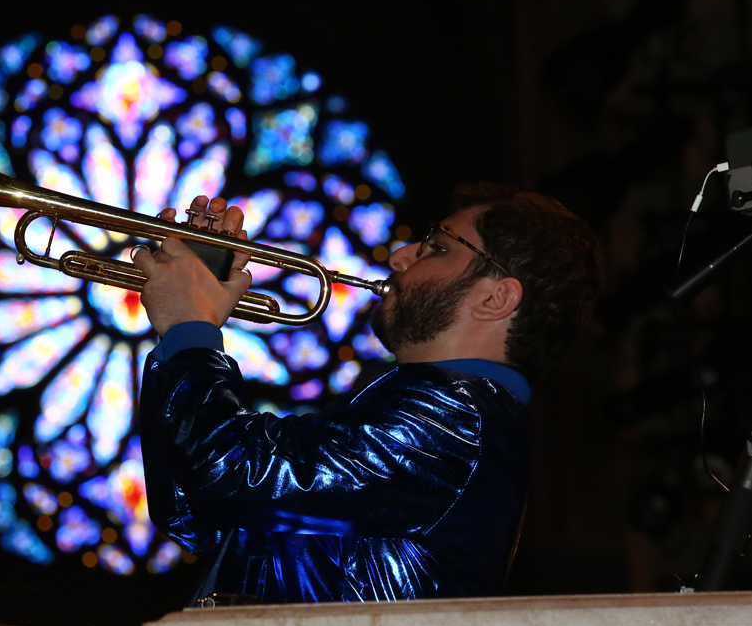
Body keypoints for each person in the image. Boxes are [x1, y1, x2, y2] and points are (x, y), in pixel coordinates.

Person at [130, 183, 603, 604]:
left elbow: (230, 472)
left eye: (435, 248)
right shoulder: (437, 408)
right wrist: (185, 324)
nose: (400, 255)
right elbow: (192, 511)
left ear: (495, 298)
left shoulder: (457, 418)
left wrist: (190, 327)